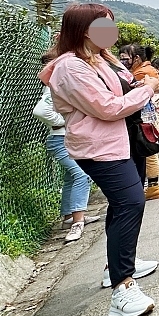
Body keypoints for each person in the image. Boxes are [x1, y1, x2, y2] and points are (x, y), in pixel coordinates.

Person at [40, 3, 159, 316]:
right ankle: (122, 288)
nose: (111, 33)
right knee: (131, 202)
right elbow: (107, 107)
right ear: (83, 30)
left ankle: (116, 267)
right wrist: (146, 89)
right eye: (103, 27)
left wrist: (136, 87)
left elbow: (118, 91)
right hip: (98, 147)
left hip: (115, 143)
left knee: (123, 204)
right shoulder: (70, 67)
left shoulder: (97, 59)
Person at [33, 65, 101, 244]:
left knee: (71, 177)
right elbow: (40, 111)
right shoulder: (55, 83)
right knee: (82, 175)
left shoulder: (60, 82)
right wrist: (63, 123)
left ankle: (68, 217)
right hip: (60, 138)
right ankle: (77, 223)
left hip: (63, 138)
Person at [120, 45, 159, 200]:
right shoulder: (150, 69)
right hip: (151, 115)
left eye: (125, 57)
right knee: (148, 148)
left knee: (145, 148)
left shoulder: (140, 73)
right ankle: (152, 186)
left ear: (136, 58)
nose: (122, 60)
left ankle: (153, 187)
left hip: (143, 117)